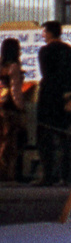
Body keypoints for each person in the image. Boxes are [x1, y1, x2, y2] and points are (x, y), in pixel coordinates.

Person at [36, 21, 71, 186]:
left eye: (44, 32)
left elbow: (47, 74)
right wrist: (70, 98)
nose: (43, 35)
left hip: (49, 98)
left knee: (45, 137)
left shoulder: (45, 52)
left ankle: (48, 175)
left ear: (49, 33)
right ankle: (65, 176)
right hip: (66, 99)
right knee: (64, 138)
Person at [0, 37, 26, 181]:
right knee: (11, 144)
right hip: (10, 110)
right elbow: (15, 90)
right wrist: (21, 108)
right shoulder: (13, 67)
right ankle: (9, 174)